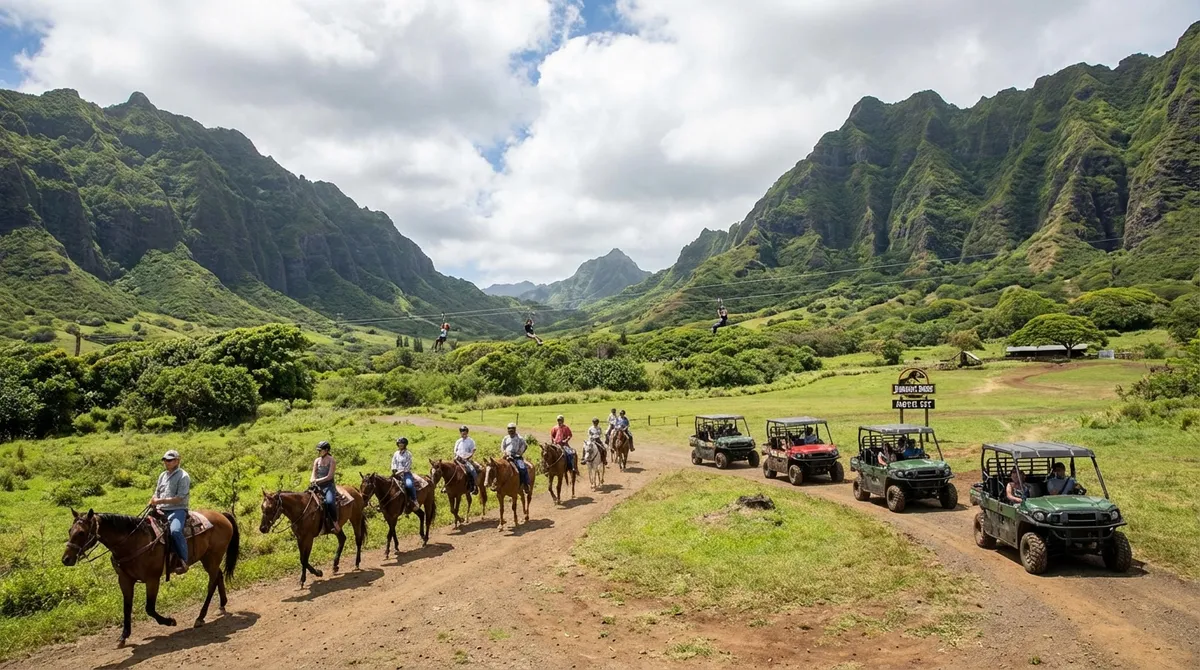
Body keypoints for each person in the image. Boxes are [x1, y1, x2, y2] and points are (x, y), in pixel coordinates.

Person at [150, 449, 192, 575]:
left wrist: (159, 501)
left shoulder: (183, 476)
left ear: (177, 461)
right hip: (161, 509)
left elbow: (180, 498)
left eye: (169, 460)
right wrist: (153, 500)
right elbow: (157, 492)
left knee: (175, 531)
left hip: (177, 509)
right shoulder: (162, 475)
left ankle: (184, 561)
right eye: (165, 460)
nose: (166, 462)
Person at [311, 441, 340, 534]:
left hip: (328, 486)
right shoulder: (317, 460)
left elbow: (329, 476)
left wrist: (317, 480)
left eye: (321, 450)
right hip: (316, 485)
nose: (319, 452)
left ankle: (335, 522)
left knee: (330, 502)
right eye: (318, 450)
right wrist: (312, 480)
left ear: (326, 450)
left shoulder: (332, 460)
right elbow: (313, 474)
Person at [501, 423, 530, 489]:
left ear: (515, 429)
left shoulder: (520, 438)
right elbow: (502, 447)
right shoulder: (505, 438)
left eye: (512, 429)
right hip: (506, 456)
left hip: (517, 457)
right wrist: (505, 453)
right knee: (497, 467)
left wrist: (517, 454)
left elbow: (524, 446)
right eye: (509, 429)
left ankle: (525, 484)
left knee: (523, 469)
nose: (510, 430)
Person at [391, 437, 418, 507]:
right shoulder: (396, 453)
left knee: (409, 484)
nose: (400, 445)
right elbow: (393, 462)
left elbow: (407, 467)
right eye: (399, 443)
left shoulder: (408, 454)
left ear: (405, 445)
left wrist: (399, 472)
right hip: (396, 473)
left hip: (406, 474)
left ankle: (414, 500)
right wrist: (394, 469)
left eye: (402, 443)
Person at [453, 426, 479, 494]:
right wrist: (456, 457)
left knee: (472, 470)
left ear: (467, 432)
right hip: (457, 459)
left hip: (466, 459)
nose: (463, 432)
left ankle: (474, 487)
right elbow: (455, 451)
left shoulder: (470, 441)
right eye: (461, 431)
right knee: (448, 469)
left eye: (464, 431)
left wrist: (467, 457)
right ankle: (446, 487)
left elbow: (473, 451)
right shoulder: (458, 441)